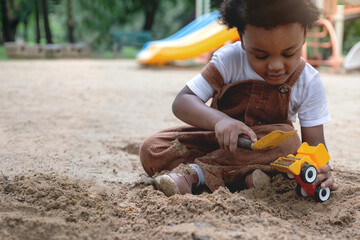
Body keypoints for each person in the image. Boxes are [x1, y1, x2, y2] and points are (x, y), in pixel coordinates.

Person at [139, 0, 339, 197]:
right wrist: (221, 121)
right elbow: (183, 101)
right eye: (261, 56)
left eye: (288, 53)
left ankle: (195, 175)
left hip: (265, 149)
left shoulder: (308, 81)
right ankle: (242, 179)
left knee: (290, 144)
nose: (276, 66)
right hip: (218, 142)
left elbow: (314, 145)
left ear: (304, 34)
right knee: (153, 148)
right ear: (243, 39)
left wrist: (321, 173)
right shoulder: (228, 60)